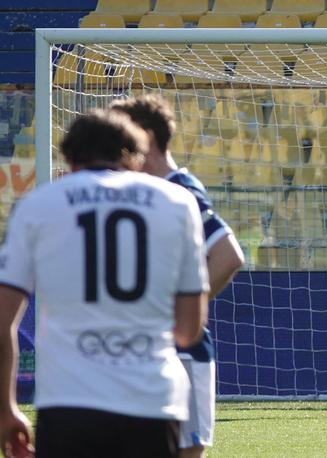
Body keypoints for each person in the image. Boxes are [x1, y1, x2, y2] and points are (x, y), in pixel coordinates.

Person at [0, 109, 209, 458]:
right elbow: (189, 330)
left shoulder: (39, 205)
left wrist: (5, 409)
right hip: (153, 399)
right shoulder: (177, 202)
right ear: (135, 157)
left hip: (68, 402)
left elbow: (2, 320)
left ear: (68, 156)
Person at [110, 95, 244, 458]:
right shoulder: (147, 195)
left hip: (182, 353)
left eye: (122, 140)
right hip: (148, 349)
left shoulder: (179, 189)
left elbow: (229, 255)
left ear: (147, 138)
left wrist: (180, 317)